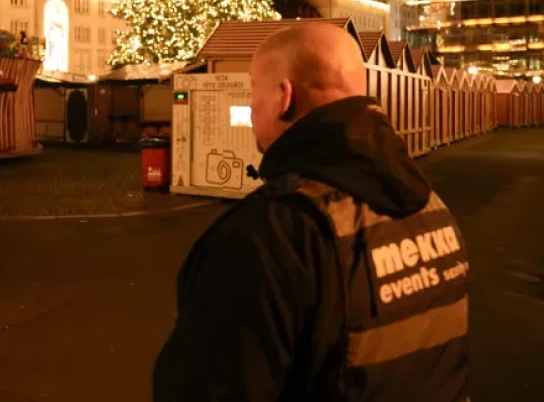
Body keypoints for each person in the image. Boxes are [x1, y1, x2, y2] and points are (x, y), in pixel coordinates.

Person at [153, 24, 470, 401]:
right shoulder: (433, 209)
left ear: (284, 97)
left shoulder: (269, 237)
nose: (251, 106)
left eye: (254, 89)